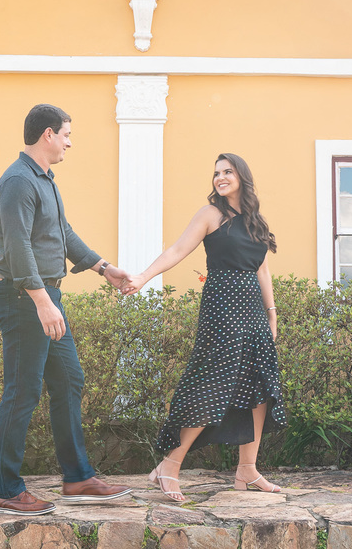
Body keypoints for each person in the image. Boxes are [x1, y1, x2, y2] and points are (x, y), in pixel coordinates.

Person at [0, 103, 137, 515]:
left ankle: (78, 477)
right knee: (22, 393)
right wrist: (40, 301)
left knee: (70, 379)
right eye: (67, 134)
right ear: (48, 134)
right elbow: (17, 249)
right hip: (24, 300)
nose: (70, 142)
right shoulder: (19, 182)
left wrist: (104, 267)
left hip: (44, 298)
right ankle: (7, 489)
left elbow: (62, 234)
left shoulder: (45, 180)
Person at [125, 153, 286, 501]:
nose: (220, 177)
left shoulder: (255, 221)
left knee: (259, 383)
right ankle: (170, 464)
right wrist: (143, 277)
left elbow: (262, 270)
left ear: (242, 176)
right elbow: (178, 249)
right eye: (216, 173)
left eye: (227, 171)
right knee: (213, 384)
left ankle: (247, 468)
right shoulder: (211, 214)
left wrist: (271, 314)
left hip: (253, 311)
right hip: (223, 306)